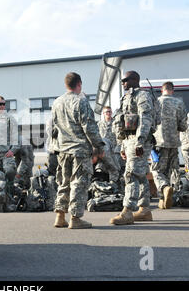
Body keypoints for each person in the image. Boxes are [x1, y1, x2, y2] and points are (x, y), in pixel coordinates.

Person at [52, 72, 105, 229]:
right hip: (79, 150)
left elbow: (54, 128)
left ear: (66, 84)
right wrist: (99, 146)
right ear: (79, 84)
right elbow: (89, 127)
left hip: (63, 150)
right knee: (78, 183)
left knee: (64, 182)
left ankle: (60, 216)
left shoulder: (57, 102)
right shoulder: (81, 102)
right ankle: (75, 218)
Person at [110, 71, 155, 225]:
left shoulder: (142, 96)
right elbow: (123, 123)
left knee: (131, 174)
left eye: (125, 80)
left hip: (138, 141)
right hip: (129, 140)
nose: (123, 83)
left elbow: (145, 118)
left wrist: (140, 141)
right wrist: (122, 144)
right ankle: (144, 210)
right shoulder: (127, 97)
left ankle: (127, 211)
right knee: (141, 175)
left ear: (135, 80)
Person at [151, 82, 187, 210]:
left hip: (158, 143)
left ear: (162, 90)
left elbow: (149, 121)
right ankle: (165, 198)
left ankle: (165, 188)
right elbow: (183, 126)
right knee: (172, 170)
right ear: (172, 90)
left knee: (157, 170)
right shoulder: (179, 103)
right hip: (174, 142)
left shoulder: (156, 102)